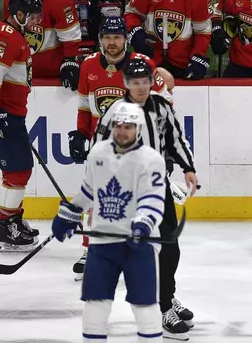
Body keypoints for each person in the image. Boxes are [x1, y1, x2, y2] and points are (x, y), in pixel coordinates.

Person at [92, 58, 197, 341]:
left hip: (159, 185)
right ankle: (161, 310)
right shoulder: (116, 111)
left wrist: (188, 168)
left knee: (170, 246)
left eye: (144, 82)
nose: (140, 87)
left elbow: (176, 140)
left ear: (151, 82)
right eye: (135, 82)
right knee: (148, 252)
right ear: (126, 84)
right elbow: (98, 148)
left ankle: (167, 297)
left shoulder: (161, 106)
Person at [68, 16, 173, 282]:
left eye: (116, 37)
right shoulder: (89, 65)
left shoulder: (142, 64)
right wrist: (81, 132)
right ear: (100, 39)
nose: (112, 43)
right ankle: (92, 250)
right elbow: (83, 103)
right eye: (107, 37)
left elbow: (164, 106)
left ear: (125, 39)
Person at [51, 102, 166, 343]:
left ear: (139, 129)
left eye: (129, 127)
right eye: (118, 125)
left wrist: (143, 223)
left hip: (139, 244)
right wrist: (69, 214)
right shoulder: (98, 153)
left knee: (145, 307)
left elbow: (153, 198)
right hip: (102, 243)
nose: (122, 131)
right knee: (94, 307)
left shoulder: (151, 159)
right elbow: (88, 191)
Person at [0, 0, 42, 252]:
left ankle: (10, 218)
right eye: (33, 15)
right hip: (6, 115)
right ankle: (5, 224)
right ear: (18, 14)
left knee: (18, 168)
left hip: (12, 114)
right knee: (18, 170)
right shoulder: (6, 35)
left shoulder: (14, 35)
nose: (37, 20)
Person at [124, 0, 212, 80]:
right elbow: (131, 14)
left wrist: (198, 56)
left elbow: (203, 30)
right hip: (150, 55)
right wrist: (136, 34)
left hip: (182, 60)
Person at [2, 0, 81, 89]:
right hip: (20, 74)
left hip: (52, 77)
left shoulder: (60, 1)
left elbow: (70, 40)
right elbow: (9, 34)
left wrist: (69, 61)